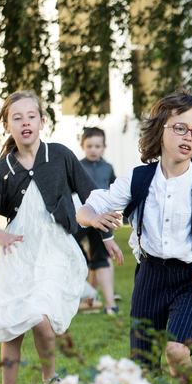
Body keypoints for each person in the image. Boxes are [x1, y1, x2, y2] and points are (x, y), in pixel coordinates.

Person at [77, 89, 192, 376]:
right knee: (143, 366)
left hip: (191, 280)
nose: (188, 137)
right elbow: (89, 206)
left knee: (176, 350)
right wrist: (93, 218)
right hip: (150, 277)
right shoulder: (138, 179)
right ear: (160, 129)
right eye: (180, 128)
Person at [0, 90, 98, 384]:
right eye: (17, 117)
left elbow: (92, 195)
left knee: (40, 317)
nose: (25, 122)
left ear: (42, 121)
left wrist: (104, 233)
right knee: (12, 327)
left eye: (31, 116)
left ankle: (50, 380)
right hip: (18, 254)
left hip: (55, 249)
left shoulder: (61, 156)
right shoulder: (4, 170)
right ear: (7, 126)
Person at [74, 127, 120, 314]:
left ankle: (110, 304)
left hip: (102, 220)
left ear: (104, 147)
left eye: (97, 146)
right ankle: (85, 297)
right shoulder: (77, 165)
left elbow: (114, 190)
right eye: (89, 146)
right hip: (81, 217)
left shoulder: (107, 168)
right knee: (77, 256)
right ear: (83, 146)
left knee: (101, 257)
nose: (93, 149)